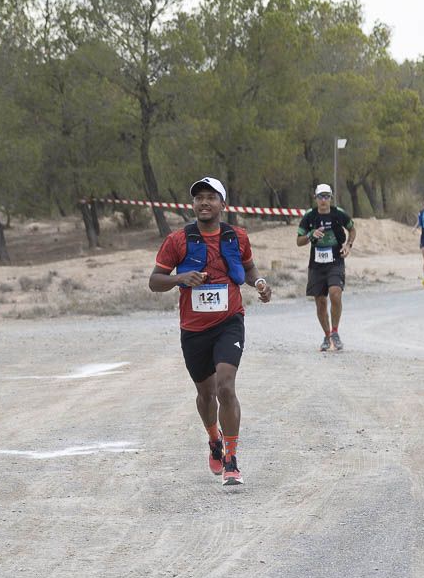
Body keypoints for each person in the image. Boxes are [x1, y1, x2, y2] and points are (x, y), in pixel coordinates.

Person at [149, 177, 272, 486]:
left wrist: (258, 283)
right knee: (205, 393)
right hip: (193, 328)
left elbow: (248, 269)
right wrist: (181, 279)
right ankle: (213, 438)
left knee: (225, 387)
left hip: (230, 321)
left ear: (222, 204)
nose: (204, 202)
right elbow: (154, 281)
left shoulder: (237, 237)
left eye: (211, 197)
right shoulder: (178, 240)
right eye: (199, 198)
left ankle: (231, 460)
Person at [296, 183, 356, 352]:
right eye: (320, 196)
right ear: (315, 198)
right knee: (321, 302)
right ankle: (327, 335)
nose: (324, 200)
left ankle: (335, 332)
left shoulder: (338, 214)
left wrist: (348, 245)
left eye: (327, 196)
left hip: (335, 261)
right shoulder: (310, 216)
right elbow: (298, 241)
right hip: (316, 265)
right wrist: (310, 235)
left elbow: (352, 229)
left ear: (331, 198)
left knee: (335, 293)